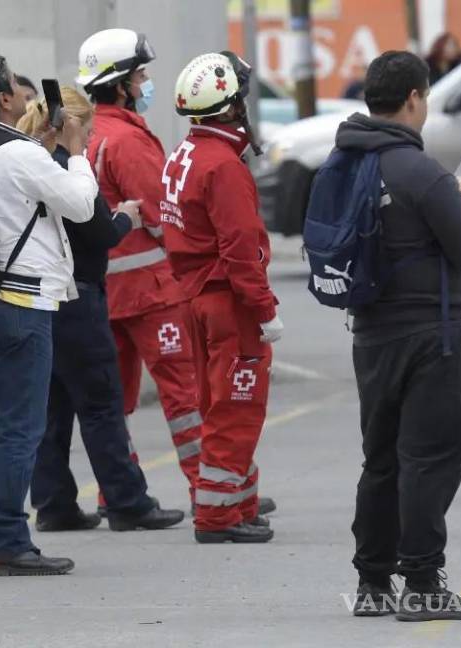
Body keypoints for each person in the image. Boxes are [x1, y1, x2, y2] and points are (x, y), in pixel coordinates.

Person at [334, 51, 461, 621]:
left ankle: (373, 583)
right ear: (415, 98)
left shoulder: (345, 161)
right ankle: (423, 582)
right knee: (429, 457)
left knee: (382, 459)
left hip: (371, 332)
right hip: (433, 333)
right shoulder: (423, 172)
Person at [0, 54, 98, 576]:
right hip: (24, 300)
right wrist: (76, 153)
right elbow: (81, 206)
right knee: (20, 428)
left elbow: (11, 189)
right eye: (17, 83)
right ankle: (9, 542)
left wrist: (49, 150)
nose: (24, 88)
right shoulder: (18, 153)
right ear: (4, 100)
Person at [17, 88, 185, 533]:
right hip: (78, 299)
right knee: (101, 405)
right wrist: (126, 216)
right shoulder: (68, 169)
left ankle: (54, 505)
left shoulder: (24, 162)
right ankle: (129, 503)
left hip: (40, 300)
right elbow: (99, 233)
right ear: (70, 127)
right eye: (88, 131)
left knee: (51, 410)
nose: (92, 140)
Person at [76, 28, 204, 504]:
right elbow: (162, 214)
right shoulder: (128, 141)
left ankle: (117, 491)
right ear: (120, 84)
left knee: (115, 401)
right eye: (141, 74)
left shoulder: (89, 135)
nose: (147, 82)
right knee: (184, 393)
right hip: (152, 294)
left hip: (106, 295)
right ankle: (208, 486)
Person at [162, 52, 279, 546]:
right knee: (237, 406)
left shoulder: (184, 154)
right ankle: (216, 516)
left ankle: (238, 505)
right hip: (228, 303)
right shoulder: (222, 167)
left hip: (195, 298)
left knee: (218, 403)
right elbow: (240, 249)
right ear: (231, 104)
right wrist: (265, 309)